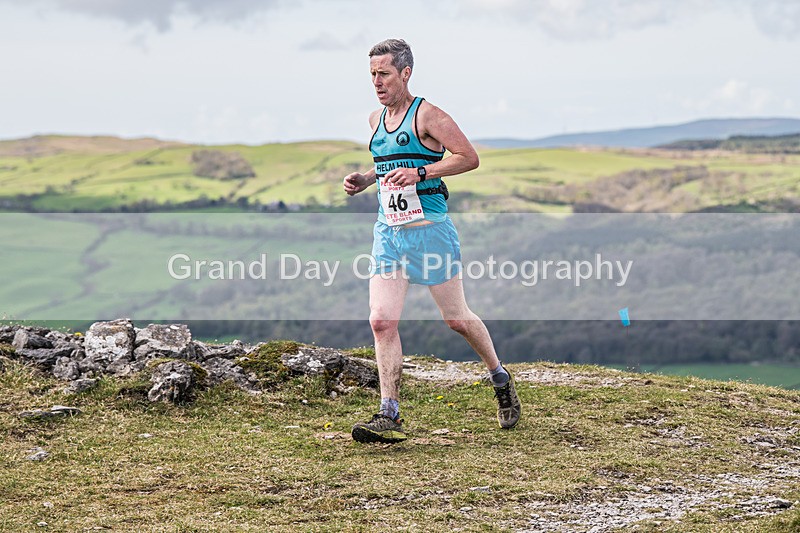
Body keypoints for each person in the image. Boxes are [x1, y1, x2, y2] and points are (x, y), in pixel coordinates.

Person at [343, 38, 521, 444]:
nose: (376, 82)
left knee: (456, 319)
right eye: (372, 74)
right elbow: (387, 164)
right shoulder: (374, 119)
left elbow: (468, 157)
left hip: (431, 231)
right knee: (381, 320)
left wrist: (421, 175)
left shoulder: (430, 116)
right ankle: (389, 413)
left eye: (384, 73)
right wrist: (366, 179)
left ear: (405, 73)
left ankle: (499, 377)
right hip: (389, 231)